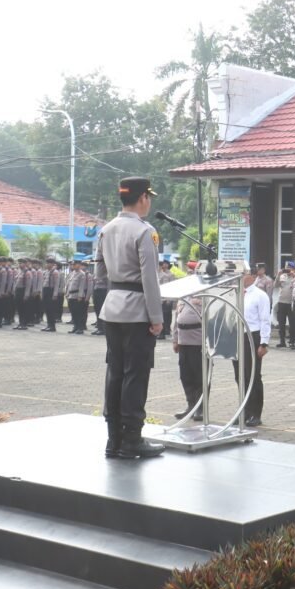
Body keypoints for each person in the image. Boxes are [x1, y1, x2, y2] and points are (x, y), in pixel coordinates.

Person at [94, 177, 165, 459]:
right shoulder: (145, 232)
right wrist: (157, 317)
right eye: (149, 197)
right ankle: (132, 438)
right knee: (136, 374)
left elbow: (99, 273)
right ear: (143, 198)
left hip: (113, 307)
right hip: (137, 311)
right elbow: (150, 279)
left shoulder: (106, 229)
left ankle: (114, 439)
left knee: (115, 372)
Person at [232, 267, 272, 427]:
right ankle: (244, 411)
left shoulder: (260, 295)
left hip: (252, 337)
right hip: (236, 336)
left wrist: (264, 343)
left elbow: (265, 320)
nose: (241, 276)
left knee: (252, 376)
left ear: (254, 276)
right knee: (239, 376)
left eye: (244, 274)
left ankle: (255, 413)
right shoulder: (235, 292)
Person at [171, 295, 205, 421]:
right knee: (186, 376)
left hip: (198, 344)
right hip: (183, 343)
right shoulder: (183, 299)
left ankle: (200, 408)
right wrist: (175, 340)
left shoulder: (205, 298)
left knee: (200, 377)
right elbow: (176, 321)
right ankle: (191, 406)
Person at [274, 261, 295, 347]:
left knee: (292, 323)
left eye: (289, 268)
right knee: (281, 323)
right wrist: (278, 275)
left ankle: (292, 341)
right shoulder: (282, 276)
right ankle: (282, 341)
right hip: (281, 302)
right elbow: (275, 285)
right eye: (286, 268)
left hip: (291, 303)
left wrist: (294, 275)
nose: (287, 270)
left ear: (293, 269)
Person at [40, 257, 63, 332]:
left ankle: (52, 326)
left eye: (48, 263)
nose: (47, 264)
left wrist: (55, 294)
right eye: (46, 263)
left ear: (53, 264)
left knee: (51, 310)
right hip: (46, 290)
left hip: (51, 291)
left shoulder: (55, 272)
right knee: (46, 309)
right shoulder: (46, 272)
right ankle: (48, 325)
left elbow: (56, 284)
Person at [157, 261, 175, 339]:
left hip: (163, 299)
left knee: (165, 316)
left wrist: (168, 299)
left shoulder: (165, 276)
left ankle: (163, 333)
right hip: (158, 299)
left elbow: (166, 288)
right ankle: (161, 332)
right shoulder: (156, 275)